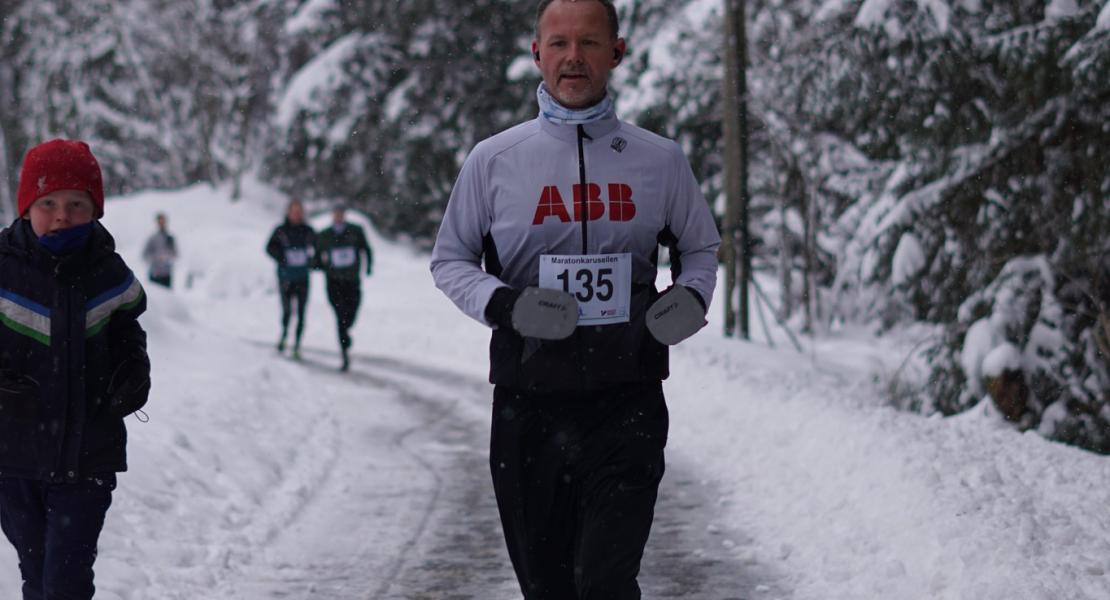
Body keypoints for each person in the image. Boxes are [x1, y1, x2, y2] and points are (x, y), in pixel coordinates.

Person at [430, 1, 721, 598]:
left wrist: (689, 297)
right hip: (527, 406)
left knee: (606, 582)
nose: (573, 58)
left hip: (628, 402)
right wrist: (505, 305)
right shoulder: (494, 161)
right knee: (549, 587)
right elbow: (450, 260)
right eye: (558, 43)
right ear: (536, 53)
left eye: (589, 43)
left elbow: (701, 248)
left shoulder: (659, 160)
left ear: (616, 52)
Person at [0, 139, 150, 600]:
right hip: (15, 455)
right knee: (36, 569)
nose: (61, 214)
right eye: (47, 202)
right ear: (26, 207)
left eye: (76, 203)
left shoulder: (109, 273)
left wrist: (133, 370)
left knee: (65, 580)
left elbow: (129, 333)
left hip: (88, 455)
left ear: (94, 210)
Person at [315, 205, 372, 371]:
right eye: (336, 214)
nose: (338, 216)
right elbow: (317, 257)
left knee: (351, 313)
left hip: (352, 281)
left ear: (344, 215)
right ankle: (344, 352)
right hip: (333, 282)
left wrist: (368, 267)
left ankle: (346, 332)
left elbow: (366, 249)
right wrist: (320, 266)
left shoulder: (356, 231)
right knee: (340, 316)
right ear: (332, 215)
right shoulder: (324, 235)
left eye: (341, 214)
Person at [265, 198, 315, 359]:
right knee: (287, 311)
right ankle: (284, 335)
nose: (296, 214)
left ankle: (298, 345)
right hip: (285, 277)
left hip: (302, 278)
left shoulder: (308, 231)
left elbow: (318, 249)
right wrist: (281, 257)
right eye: (293, 211)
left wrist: (312, 261)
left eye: (299, 211)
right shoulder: (280, 230)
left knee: (301, 312)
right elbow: (269, 248)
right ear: (288, 212)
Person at [141, 211, 177, 288]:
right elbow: (145, 254)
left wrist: (167, 258)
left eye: (163, 221)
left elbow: (175, 254)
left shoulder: (170, 238)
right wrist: (155, 258)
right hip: (155, 273)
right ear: (157, 223)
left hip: (166, 274)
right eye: (160, 221)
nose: (161, 223)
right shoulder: (152, 239)